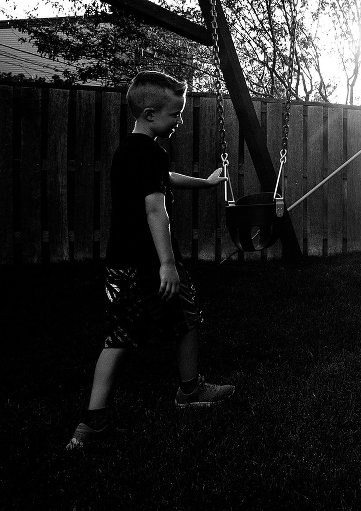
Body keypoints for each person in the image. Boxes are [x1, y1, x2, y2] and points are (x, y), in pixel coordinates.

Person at [66, 71, 234, 450]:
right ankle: (179, 394)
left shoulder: (130, 151)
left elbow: (164, 178)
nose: (178, 122)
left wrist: (205, 184)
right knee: (156, 325)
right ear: (149, 113)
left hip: (121, 263)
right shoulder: (151, 152)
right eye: (174, 115)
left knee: (148, 328)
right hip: (145, 263)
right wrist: (168, 264)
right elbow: (155, 209)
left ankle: (102, 417)